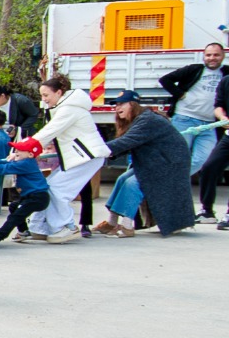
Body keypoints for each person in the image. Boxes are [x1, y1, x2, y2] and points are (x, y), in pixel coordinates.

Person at [18, 74, 109, 244]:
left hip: (87, 157)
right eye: (42, 96)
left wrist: (25, 148)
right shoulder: (64, 107)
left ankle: (66, 227)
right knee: (48, 186)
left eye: (46, 95)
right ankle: (40, 226)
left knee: (57, 190)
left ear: (59, 93)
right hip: (78, 157)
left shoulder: (69, 109)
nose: (44, 100)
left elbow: (49, 132)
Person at [90, 90, 195, 238]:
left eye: (121, 104)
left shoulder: (147, 120)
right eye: (116, 105)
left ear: (133, 104)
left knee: (133, 184)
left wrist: (97, 150)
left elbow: (126, 142)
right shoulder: (140, 119)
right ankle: (112, 222)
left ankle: (127, 225)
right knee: (122, 179)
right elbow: (128, 144)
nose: (117, 108)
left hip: (169, 165)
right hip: (157, 162)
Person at [159, 42, 225, 183]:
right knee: (177, 156)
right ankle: (167, 184)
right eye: (208, 55)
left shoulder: (226, 73)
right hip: (185, 119)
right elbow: (165, 80)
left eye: (216, 55)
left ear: (223, 56)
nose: (212, 58)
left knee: (203, 159)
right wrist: (180, 94)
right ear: (204, 56)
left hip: (210, 125)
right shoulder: (194, 70)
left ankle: (171, 181)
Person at [0, 147, 52, 248]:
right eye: (16, 149)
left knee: (15, 217)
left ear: (30, 154)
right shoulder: (26, 161)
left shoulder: (25, 164)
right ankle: (23, 232)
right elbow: (4, 161)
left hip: (37, 198)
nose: (16, 151)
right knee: (13, 206)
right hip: (33, 196)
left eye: (20, 150)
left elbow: (3, 168)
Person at [191, 75, 229, 227]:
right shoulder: (226, 81)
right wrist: (222, 117)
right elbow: (219, 105)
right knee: (209, 168)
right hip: (228, 136)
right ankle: (207, 211)